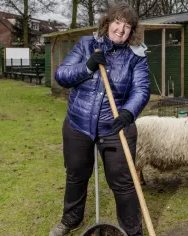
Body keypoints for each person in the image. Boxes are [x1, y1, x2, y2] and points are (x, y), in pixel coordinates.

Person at [49, 2, 150, 236]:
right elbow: (62, 75)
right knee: (76, 174)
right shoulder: (86, 45)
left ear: (132, 31)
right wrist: (87, 67)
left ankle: (131, 231)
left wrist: (128, 112)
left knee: (124, 182)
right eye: (117, 22)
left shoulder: (137, 55)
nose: (120, 29)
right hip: (78, 123)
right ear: (107, 23)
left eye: (127, 26)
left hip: (115, 126)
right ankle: (71, 220)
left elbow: (141, 89)